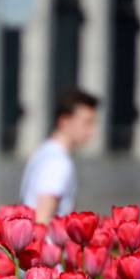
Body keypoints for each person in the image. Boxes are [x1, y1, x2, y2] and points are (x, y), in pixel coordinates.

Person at [19, 88, 99, 224]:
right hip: (47, 242)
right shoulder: (58, 161)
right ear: (64, 121)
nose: (92, 131)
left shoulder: (44, 151)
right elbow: (43, 216)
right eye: (87, 122)